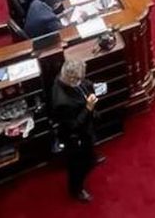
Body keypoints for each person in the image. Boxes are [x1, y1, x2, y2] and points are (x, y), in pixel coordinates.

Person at [51, 60, 101, 203]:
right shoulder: (62, 102)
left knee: (89, 151)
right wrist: (88, 108)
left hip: (86, 131)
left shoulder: (63, 77)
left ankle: (92, 158)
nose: (82, 81)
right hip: (75, 138)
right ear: (71, 79)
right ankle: (76, 190)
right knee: (79, 166)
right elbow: (73, 125)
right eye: (80, 79)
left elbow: (83, 85)